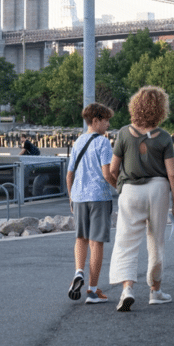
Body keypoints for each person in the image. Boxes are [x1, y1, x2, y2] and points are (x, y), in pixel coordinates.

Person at [109, 86, 174, 312]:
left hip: (131, 190)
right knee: (156, 241)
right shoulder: (164, 138)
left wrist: (121, 187)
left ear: (135, 106)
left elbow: (112, 169)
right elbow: (172, 174)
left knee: (126, 241)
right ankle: (155, 292)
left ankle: (127, 289)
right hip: (158, 190)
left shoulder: (123, 133)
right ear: (161, 109)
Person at [66, 103, 116, 304]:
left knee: (81, 239)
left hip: (78, 197)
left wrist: (71, 198)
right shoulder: (103, 143)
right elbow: (107, 173)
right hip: (99, 198)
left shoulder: (78, 142)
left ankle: (79, 272)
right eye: (106, 120)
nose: (108, 124)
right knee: (97, 243)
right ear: (95, 120)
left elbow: (69, 174)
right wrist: (119, 187)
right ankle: (93, 291)